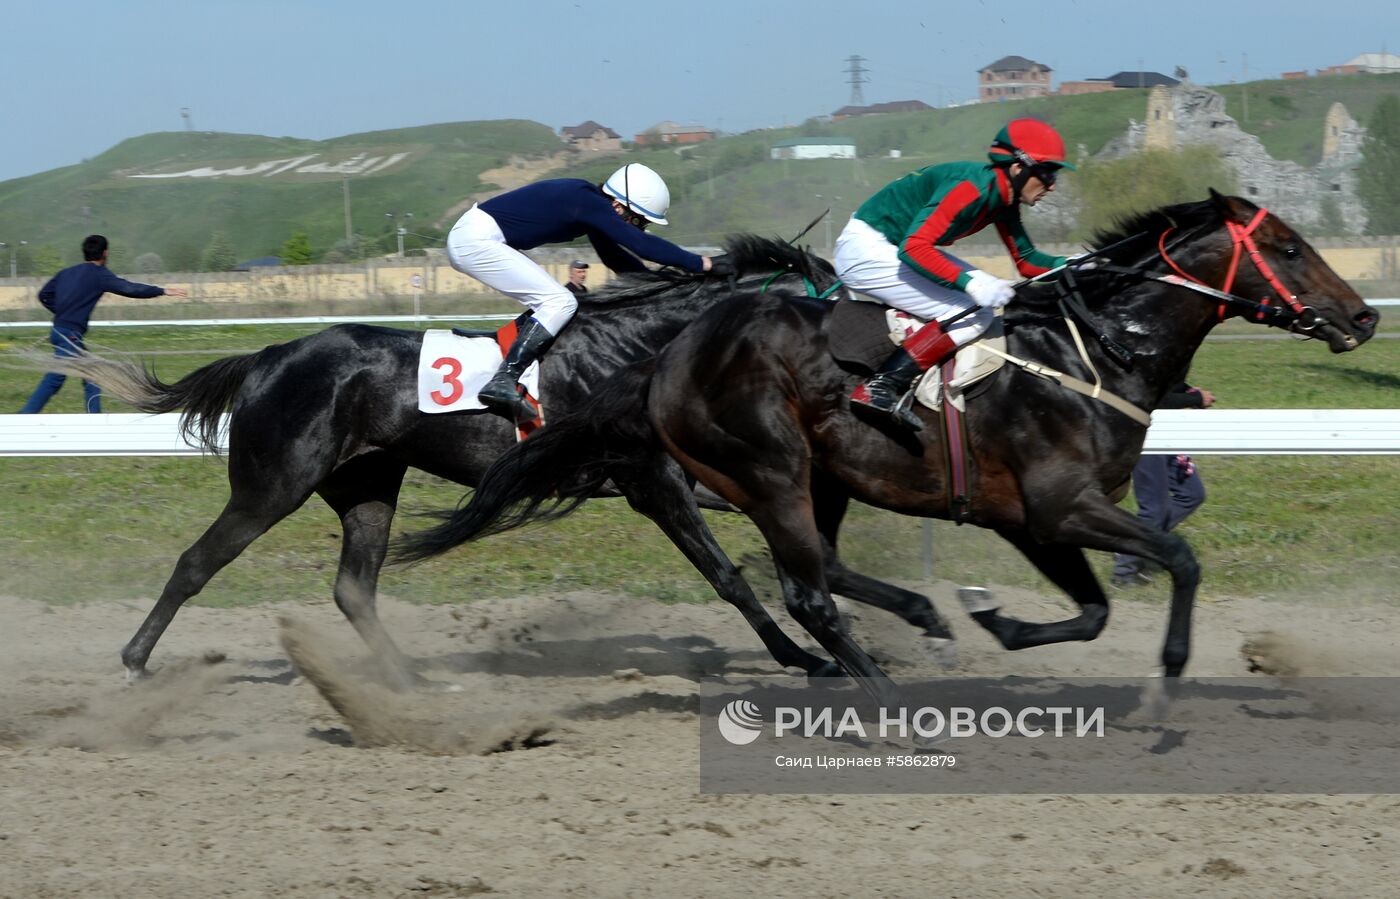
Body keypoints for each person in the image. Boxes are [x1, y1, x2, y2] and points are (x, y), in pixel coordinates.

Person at [835, 118, 1084, 431]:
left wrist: (1073, 263)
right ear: (1019, 168)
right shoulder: (971, 189)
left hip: (890, 245)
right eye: (1047, 173)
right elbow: (914, 248)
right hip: (867, 249)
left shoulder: (1003, 198)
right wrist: (972, 282)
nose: (1052, 185)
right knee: (971, 311)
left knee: (982, 297)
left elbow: (1027, 261)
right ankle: (882, 386)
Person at [446, 163, 730, 424]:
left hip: (482, 237)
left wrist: (660, 288)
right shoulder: (587, 202)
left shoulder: (588, 204)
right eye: (639, 220)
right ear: (619, 207)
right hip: (476, 240)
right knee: (560, 301)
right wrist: (703, 263)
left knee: (555, 299)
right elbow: (640, 244)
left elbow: (617, 260)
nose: (638, 227)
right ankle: (502, 381)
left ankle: (504, 355)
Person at [19, 235, 188, 414]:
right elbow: (129, 288)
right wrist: (162, 291)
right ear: (105, 253)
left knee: (93, 376)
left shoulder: (66, 272)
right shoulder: (99, 275)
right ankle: (24, 417)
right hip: (69, 335)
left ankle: (95, 419)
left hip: (60, 331)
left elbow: (44, 295)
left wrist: (62, 312)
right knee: (55, 377)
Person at [1111, 380, 1215, 587]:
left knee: (1192, 494)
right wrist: (1195, 398)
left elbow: (1169, 383)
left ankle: (1135, 543)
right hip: (1146, 437)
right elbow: (1152, 397)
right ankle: (1123, 573)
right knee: (1154, 510)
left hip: (1168, 432)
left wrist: (1187, 389)